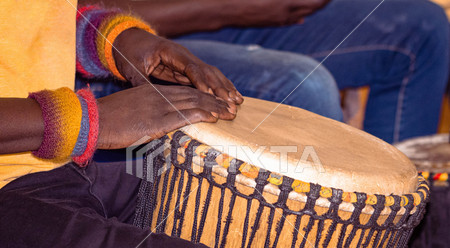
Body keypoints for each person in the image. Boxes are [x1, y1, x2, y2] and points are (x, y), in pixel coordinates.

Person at [0, 1, 291, 248]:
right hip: (19, 185)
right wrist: (86, 120)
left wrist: (117, 40)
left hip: (55, 167)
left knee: (258, 209)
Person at [85, 0, 450, 143]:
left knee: (421, 27)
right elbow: (79, 20)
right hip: (127, 41)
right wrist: (231, 8)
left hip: (236, 17)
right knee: (304, 84)